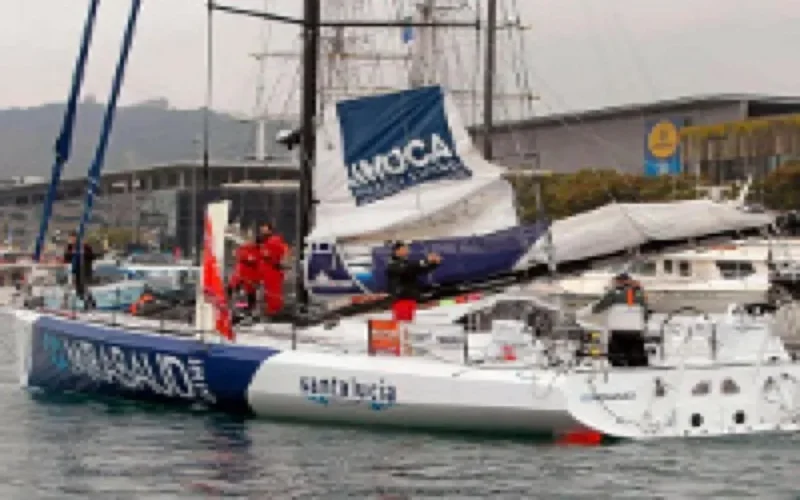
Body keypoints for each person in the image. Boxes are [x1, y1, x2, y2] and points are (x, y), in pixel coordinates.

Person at [591, 272, 648, 367]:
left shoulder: (613, 294)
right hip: (636, 333)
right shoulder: (641, 294)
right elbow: (645, 314)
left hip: (618, 333)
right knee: (636, 359)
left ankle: (619, 362)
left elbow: (597, 308)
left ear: (619, 282)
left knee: (617, 359)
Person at [386, 241, 442, 322]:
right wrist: (425, 261)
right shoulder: (392, 264)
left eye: (407, 248)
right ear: (397, 251)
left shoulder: (406, 262)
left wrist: (434, 264)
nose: (407, 250)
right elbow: (408, 268)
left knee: (409, 322)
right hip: (401, 299)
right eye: (404, 248)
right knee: (402, 322)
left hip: (411, 297)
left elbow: (420, 269)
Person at [257, 222, 289, 317]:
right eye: (261, 230)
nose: (262, 232)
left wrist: (279, 263)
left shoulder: (274, 241)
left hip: (273, 272)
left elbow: (283, 252)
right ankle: (271, 311)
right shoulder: (265, 242)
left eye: (265, 230)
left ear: (270, 231)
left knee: (273, 294)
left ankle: (274, 313)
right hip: (267, 272)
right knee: (268, 294)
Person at [227, 232, 261, 314]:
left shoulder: (258, 251)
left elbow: (255, 260)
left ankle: (245, 309)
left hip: (251, 278)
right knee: (233, 290)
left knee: (250, 297)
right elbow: (241, 255)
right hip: (241, 276)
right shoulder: (244, 249)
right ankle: (235, 307)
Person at [62, 231, 96, 311]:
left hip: (84, 269)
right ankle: (90, 302)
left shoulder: (84, 246)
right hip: (76, 270)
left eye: (72, 238)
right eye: (70, 239)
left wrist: (83, 253)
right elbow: (66, 258)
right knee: (78, 290)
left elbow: (92, 256)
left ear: (76, 238)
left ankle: (88, 304)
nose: (71, 240)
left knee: (83, 287)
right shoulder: (70, 247)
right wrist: (70, 252)